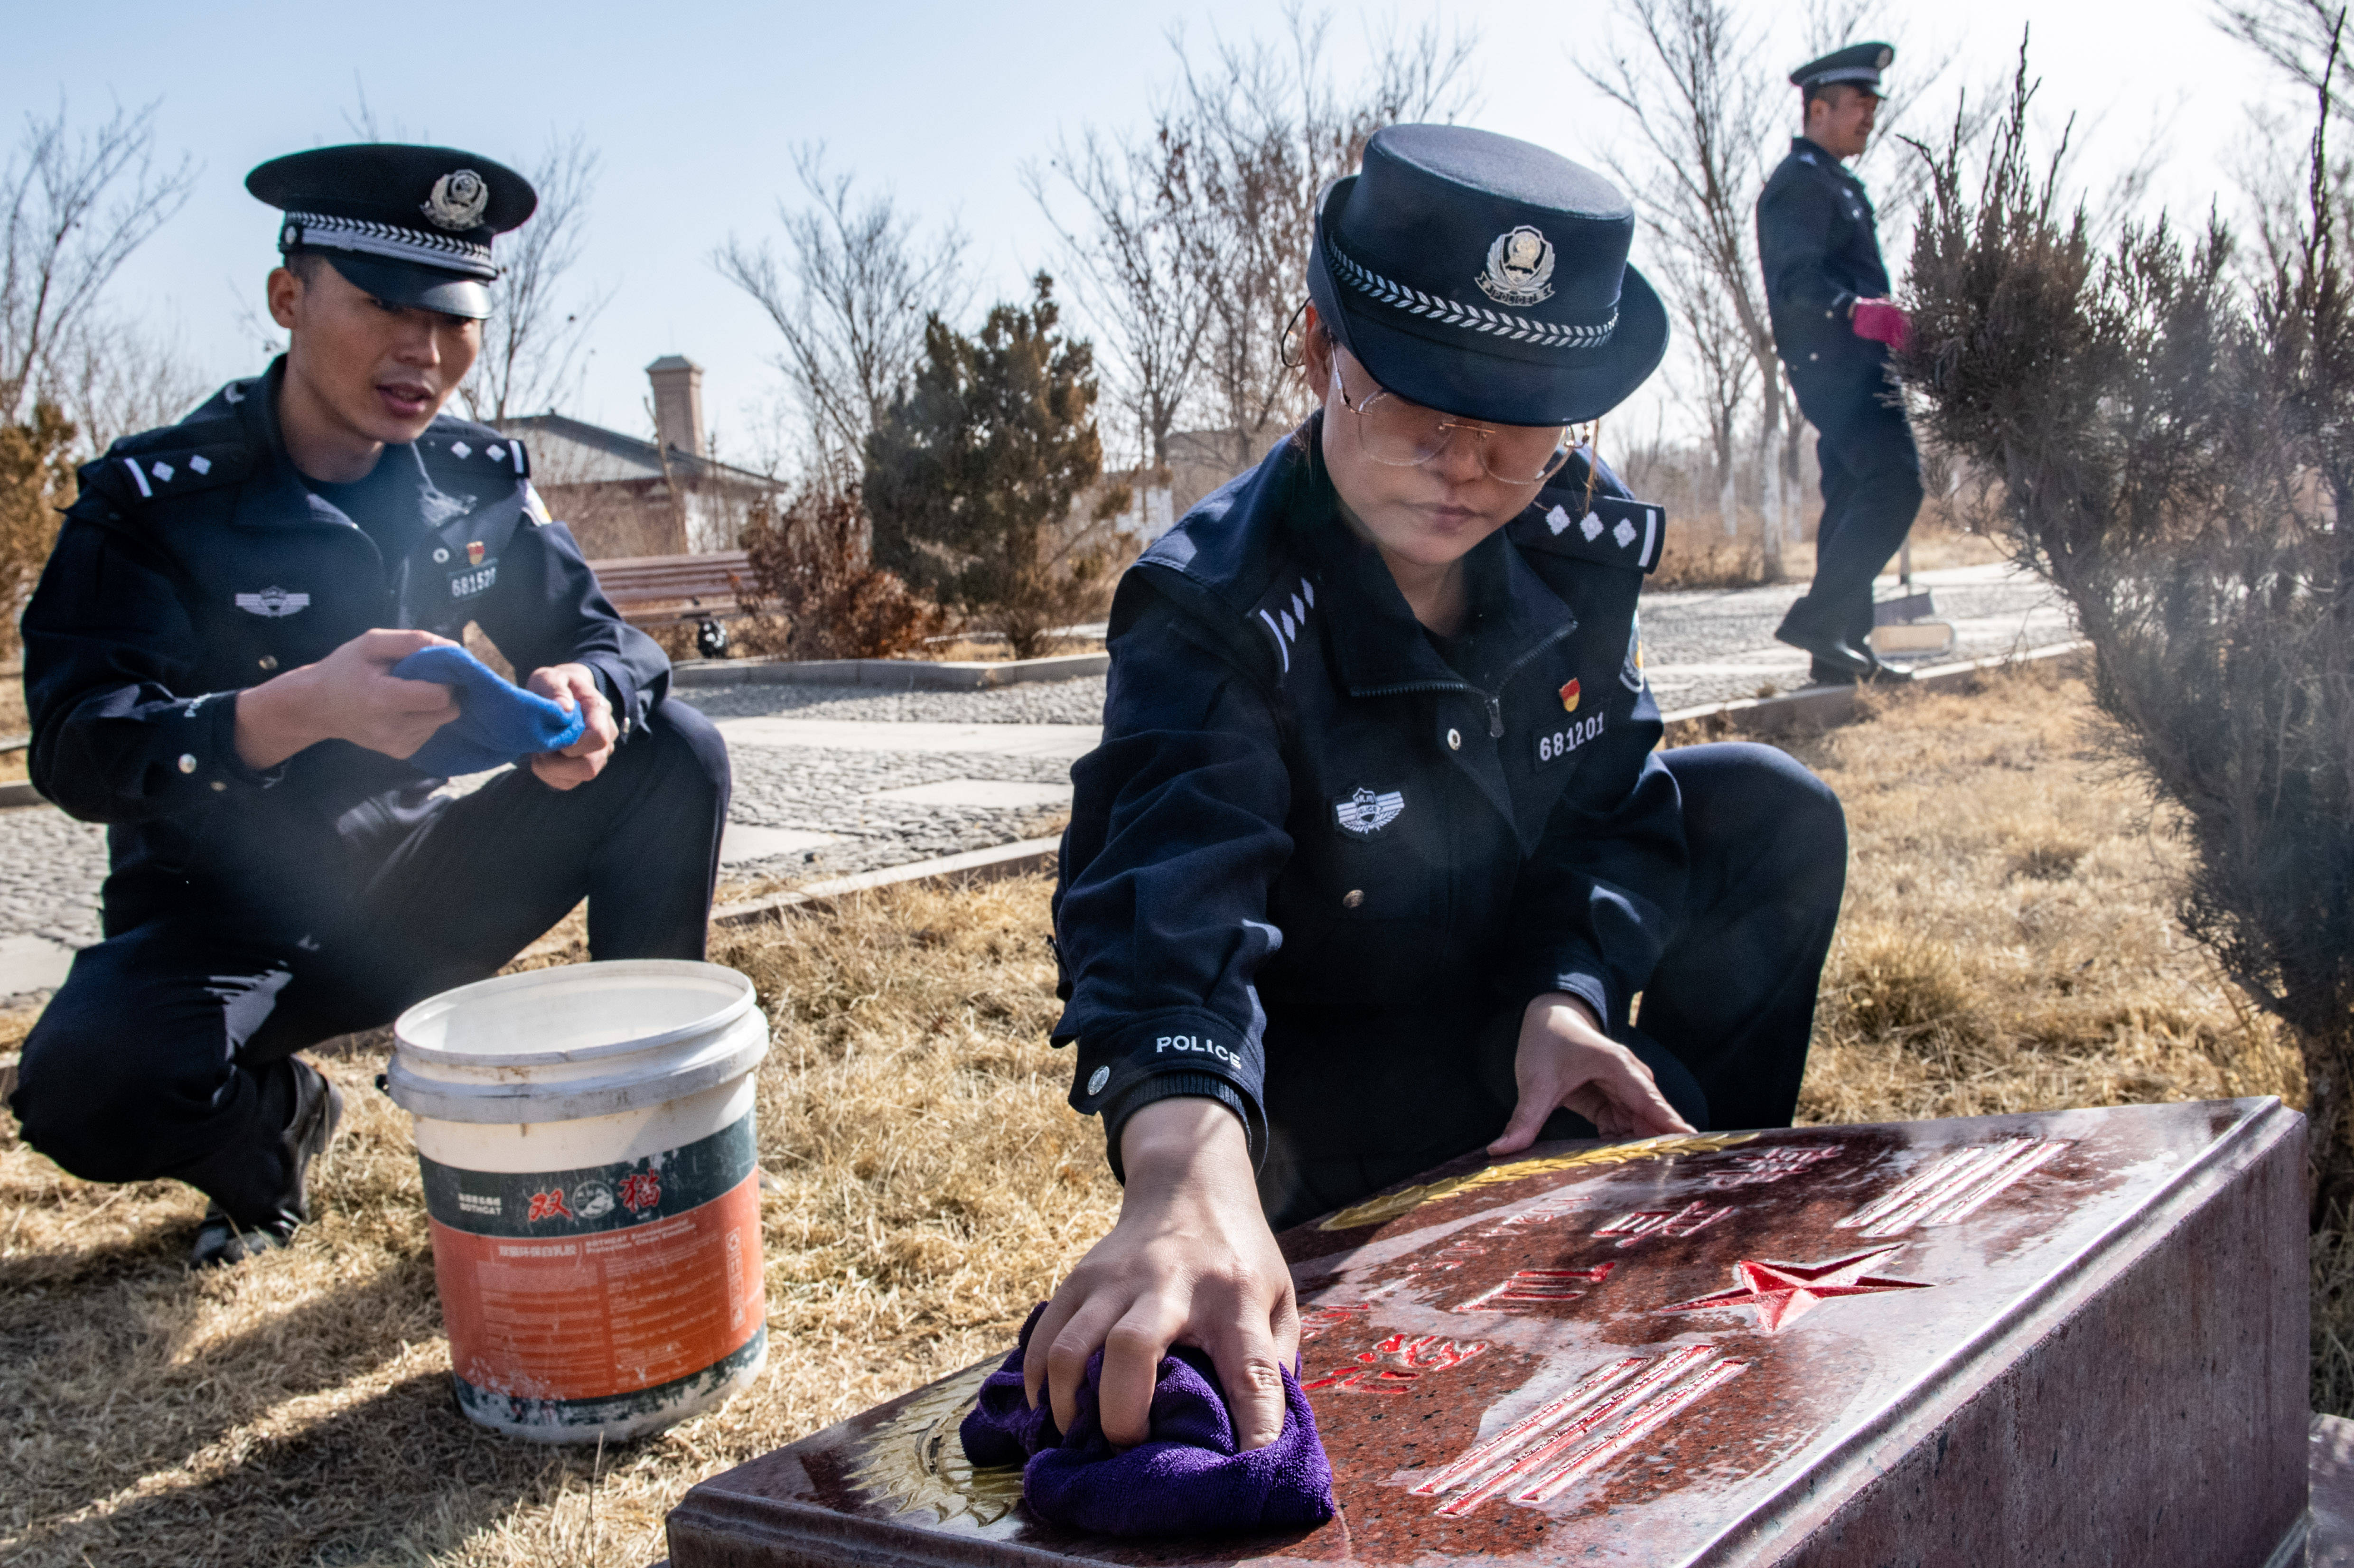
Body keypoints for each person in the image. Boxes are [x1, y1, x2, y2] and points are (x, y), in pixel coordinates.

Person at [1033, 126, 1848, 1455]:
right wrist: (1184, 1171)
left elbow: (1608, 807)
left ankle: (1678, 1217)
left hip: (1511, 1028)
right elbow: (1166, 893)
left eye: (1519, 421)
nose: (1468, 464)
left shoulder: (1573, 541)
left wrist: (1568, 992)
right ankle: (1334, 1244)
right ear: (1318, 355)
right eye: (1421, 403)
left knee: (1767, 811)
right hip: (1332, 1078)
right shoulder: (1218, 604)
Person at [9, 145, 732, 1268]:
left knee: (670, 750)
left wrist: (588, 692)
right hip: (218, 920)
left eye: (455, 318)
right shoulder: (154, 498)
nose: (427, 352)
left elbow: (605, 637)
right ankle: (274, 1131)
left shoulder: (474, 478)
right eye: (386, 305)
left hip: (412, 887)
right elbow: (73, 743)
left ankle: (630, 1142)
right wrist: (285, 711)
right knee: (82, 1086)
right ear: (288, 296)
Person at [1756, 41, 1925, 684]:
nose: (1870, 117)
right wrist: (1855, 311)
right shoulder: (1798, 184)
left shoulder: (1835, 182)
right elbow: (1795, 281)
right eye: (1860, 104)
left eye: (1874, 106)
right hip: (1838, 365)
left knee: (1854, 492)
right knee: (1896, 483)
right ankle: (1821, 618)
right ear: (1819, 109)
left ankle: (1837, 657)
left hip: (1857, 362)